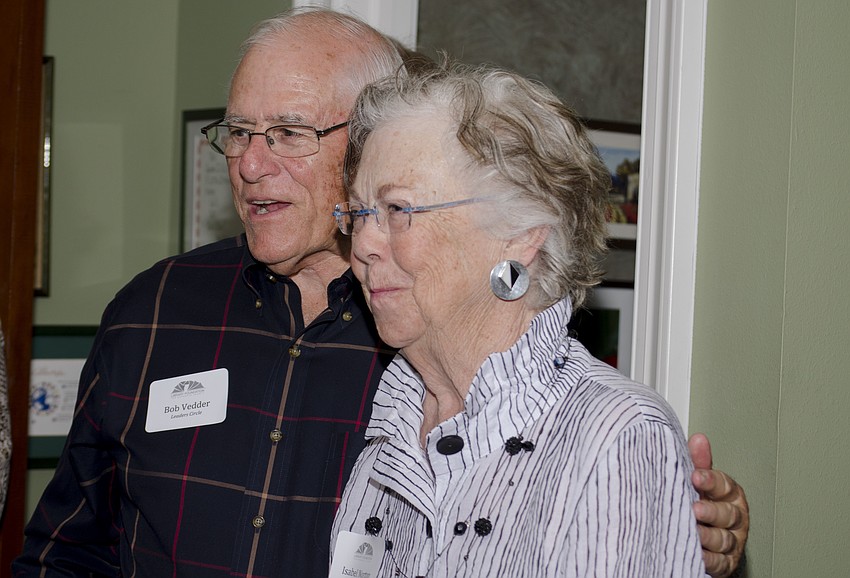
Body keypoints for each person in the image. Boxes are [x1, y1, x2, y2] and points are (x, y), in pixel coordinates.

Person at [14, 8, 746, 578]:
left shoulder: (425, 341)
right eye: (238, 132)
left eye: (289, 131)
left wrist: (666, 518)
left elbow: (584, 456)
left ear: (370, 139)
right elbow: (66, 548)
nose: (251, 162)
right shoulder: (155, 312)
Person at [329, 61, 707, 576]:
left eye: (399, 210)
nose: (364, 246)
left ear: (521, 231)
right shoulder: (392, 425)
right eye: (357, 214)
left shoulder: (614, 438)